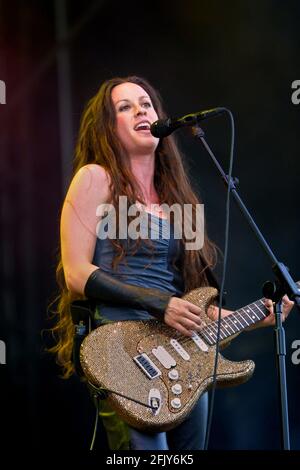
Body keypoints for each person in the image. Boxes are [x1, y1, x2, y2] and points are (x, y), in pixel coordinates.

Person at [49, 75, 294, 450]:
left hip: (181, 352)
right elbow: (76, 273)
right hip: (120, 347)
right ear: (107, 127)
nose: (140, 111)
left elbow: (190, 303)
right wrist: (160, 305)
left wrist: (250, 317)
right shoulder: (95, 178)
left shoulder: (180, 203)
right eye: (125, 107)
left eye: (145, 104)